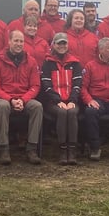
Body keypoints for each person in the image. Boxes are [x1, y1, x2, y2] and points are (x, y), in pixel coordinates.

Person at [0, 30, 43, 165]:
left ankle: (31, 148)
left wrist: (23, 100)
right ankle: (4, 148)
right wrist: (10, 99)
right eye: (16, 41)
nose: (19, 44)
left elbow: (35, 85)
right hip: (4, 99)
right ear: (9, 42)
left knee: (37, 106)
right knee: (2, 106)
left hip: (25, 98)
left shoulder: (31, 61)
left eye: (21, 41)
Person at [40, 32, 82, 165]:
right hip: (53, 102)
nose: (62, 46)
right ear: (54, 45)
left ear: (68, 45)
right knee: (62, 112)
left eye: (64, 43)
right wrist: (58, 101)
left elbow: (77, 85)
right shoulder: (47, 63)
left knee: (72, 112)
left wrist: (71, 101)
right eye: (59, 43)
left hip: (71, 101)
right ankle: (63, 150)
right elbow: (46, 86)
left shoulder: (75, 63)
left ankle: (72, 149)